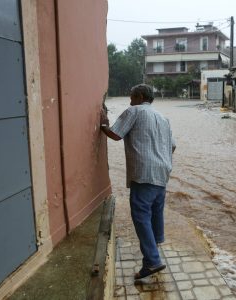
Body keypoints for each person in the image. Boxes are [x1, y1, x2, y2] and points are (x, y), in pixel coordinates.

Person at [100, 84, 176, 280]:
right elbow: (173, 146)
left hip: (143, 173)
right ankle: (156, 243)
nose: (129, 100)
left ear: (140, 96)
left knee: (141, 215)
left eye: (131, 96)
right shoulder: (163, 118)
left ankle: (152, 260)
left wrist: (103, 125)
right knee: (156, 211)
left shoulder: (134, 111)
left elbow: (116, 134)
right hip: (162, 172)